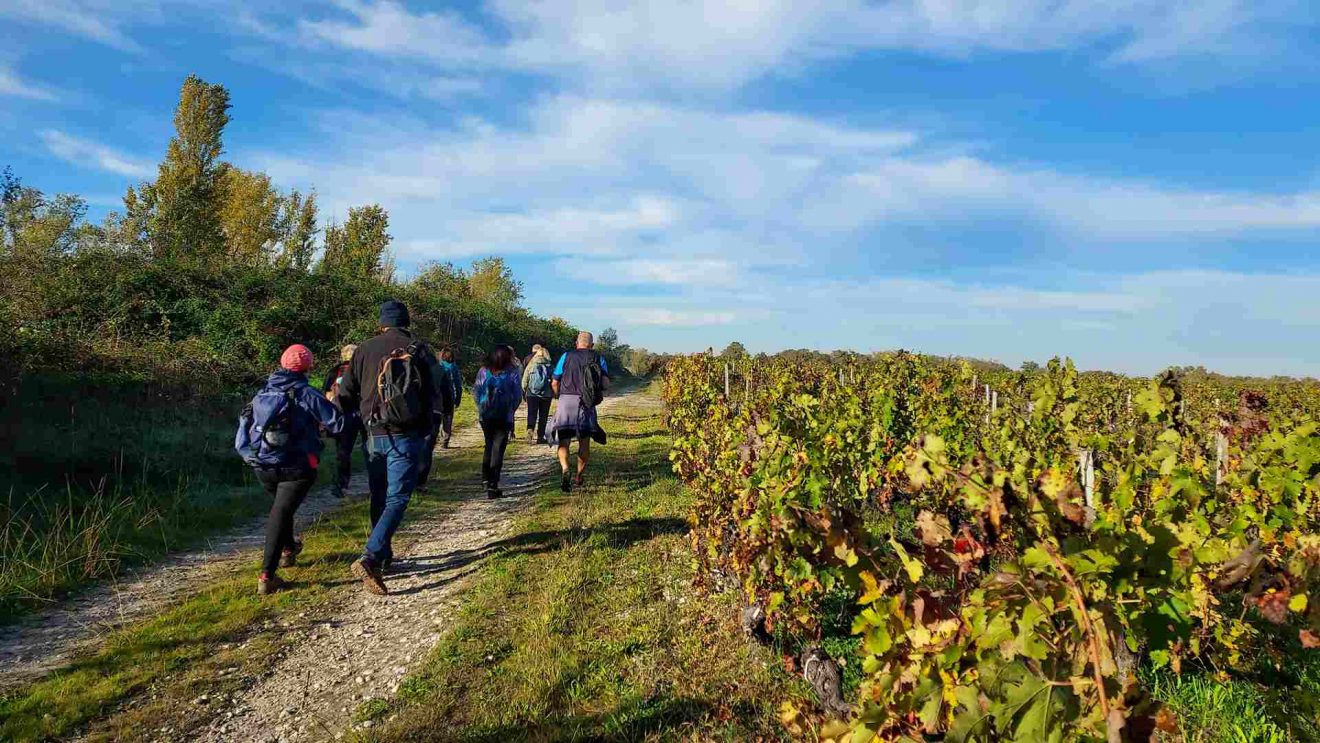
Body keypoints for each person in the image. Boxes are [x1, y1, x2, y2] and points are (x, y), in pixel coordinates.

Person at [337, 300, 438, 595]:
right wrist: (432, 426)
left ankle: (383, 554)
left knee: (379, 493)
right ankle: (371, 556)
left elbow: (346, 393)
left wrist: (342, 426)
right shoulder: (419, 348)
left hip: (373, 433)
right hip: (406, 433)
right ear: (406, 321)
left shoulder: (364, 349)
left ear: (381, 322)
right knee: (398, 498)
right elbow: (433, 391)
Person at [235, 344, 344, 595]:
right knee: (280, 513)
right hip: (297, 467)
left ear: (282, 364)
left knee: (281, 508)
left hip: (262, 464)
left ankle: (288, 551)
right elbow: (336, 423)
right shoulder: (307, 393)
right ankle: (267, 575)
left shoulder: (263, 391)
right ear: (308, 367)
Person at [549, 331, 610, 492]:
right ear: (592, 345)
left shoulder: (566, 356)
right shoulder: (598, 358)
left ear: (577, 343)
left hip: (566, 402)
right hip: (587, 403)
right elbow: (605, 383)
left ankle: (564, 469)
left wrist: (558, 396)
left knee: (564, 440)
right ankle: (578, 476)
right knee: (584, 441)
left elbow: (555, 381)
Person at [473, 346, 523, 498]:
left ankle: (485, 479)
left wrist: (482, 408)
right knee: (498, 449)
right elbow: (517, 396)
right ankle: (493, 485)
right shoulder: (512, 373)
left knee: (488, 445)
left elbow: (476, 392)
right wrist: (511, 410)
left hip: (486, 415)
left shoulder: (483, 371)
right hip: (504, 416)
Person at [322, 344, 364, 498]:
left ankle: (341, 484)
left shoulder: (334, 370)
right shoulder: (362, 369)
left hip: (342, 414)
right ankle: (377, 479)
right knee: (371, 446)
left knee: (343, 451)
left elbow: (326, 393)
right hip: (363, 411)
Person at [417, 342, 456, 489]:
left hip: (412, 412)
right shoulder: (438, 369)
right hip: (434, 411)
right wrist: (448, 410)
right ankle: (421, 481)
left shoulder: (407, 366)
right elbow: (446, 392)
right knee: (427, 446)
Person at [521, 345, 554, 444]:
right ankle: (540, 437)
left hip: (532, 394)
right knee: (543, 416)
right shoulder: (550, 366)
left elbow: (524, 381)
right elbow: (555, 381)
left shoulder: (531, 365)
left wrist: (525, 391)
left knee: (532, 414)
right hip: (546, 395)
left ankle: (530, 431)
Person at [436, 346, 463, 448]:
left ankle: (437, 436)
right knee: (447, 418)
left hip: (438, 395)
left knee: (438, 417)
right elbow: (458, 384)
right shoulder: (453, 367)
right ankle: (445, 440)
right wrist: (458, 398)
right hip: (449, 395)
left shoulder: (438, 365)